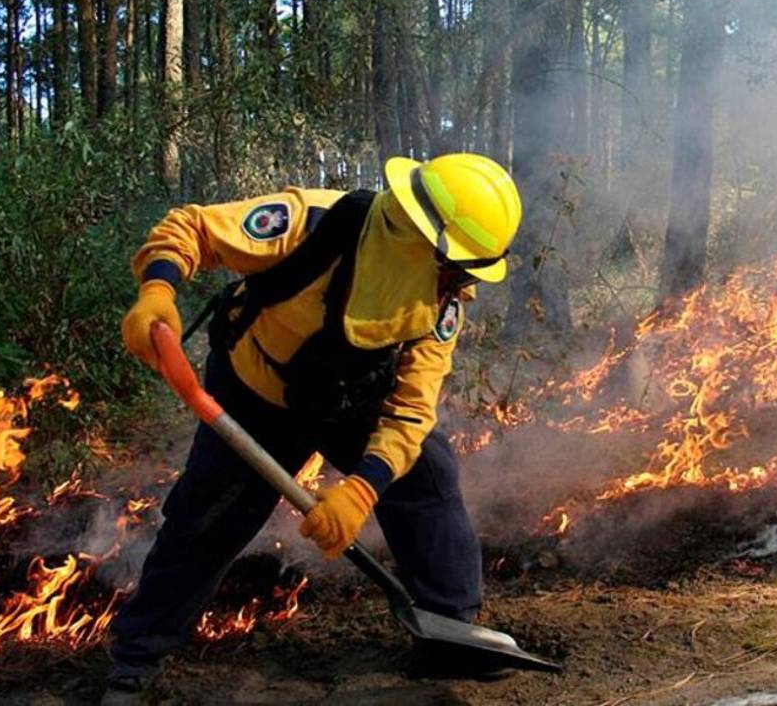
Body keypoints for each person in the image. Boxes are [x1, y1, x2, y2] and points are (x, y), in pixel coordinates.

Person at [104, 153, 522, 701]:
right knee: (207, 519)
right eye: (458, 268)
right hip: (255, 396)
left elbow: (411, 412)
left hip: (350, 402)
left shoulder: (440, 303)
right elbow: (193, 228)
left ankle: (451, 634)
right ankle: (138, 656)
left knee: (427, 473)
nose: (463, 285)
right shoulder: (313, 222)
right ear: (416, 236)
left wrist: (361, 489)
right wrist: (157, 291)